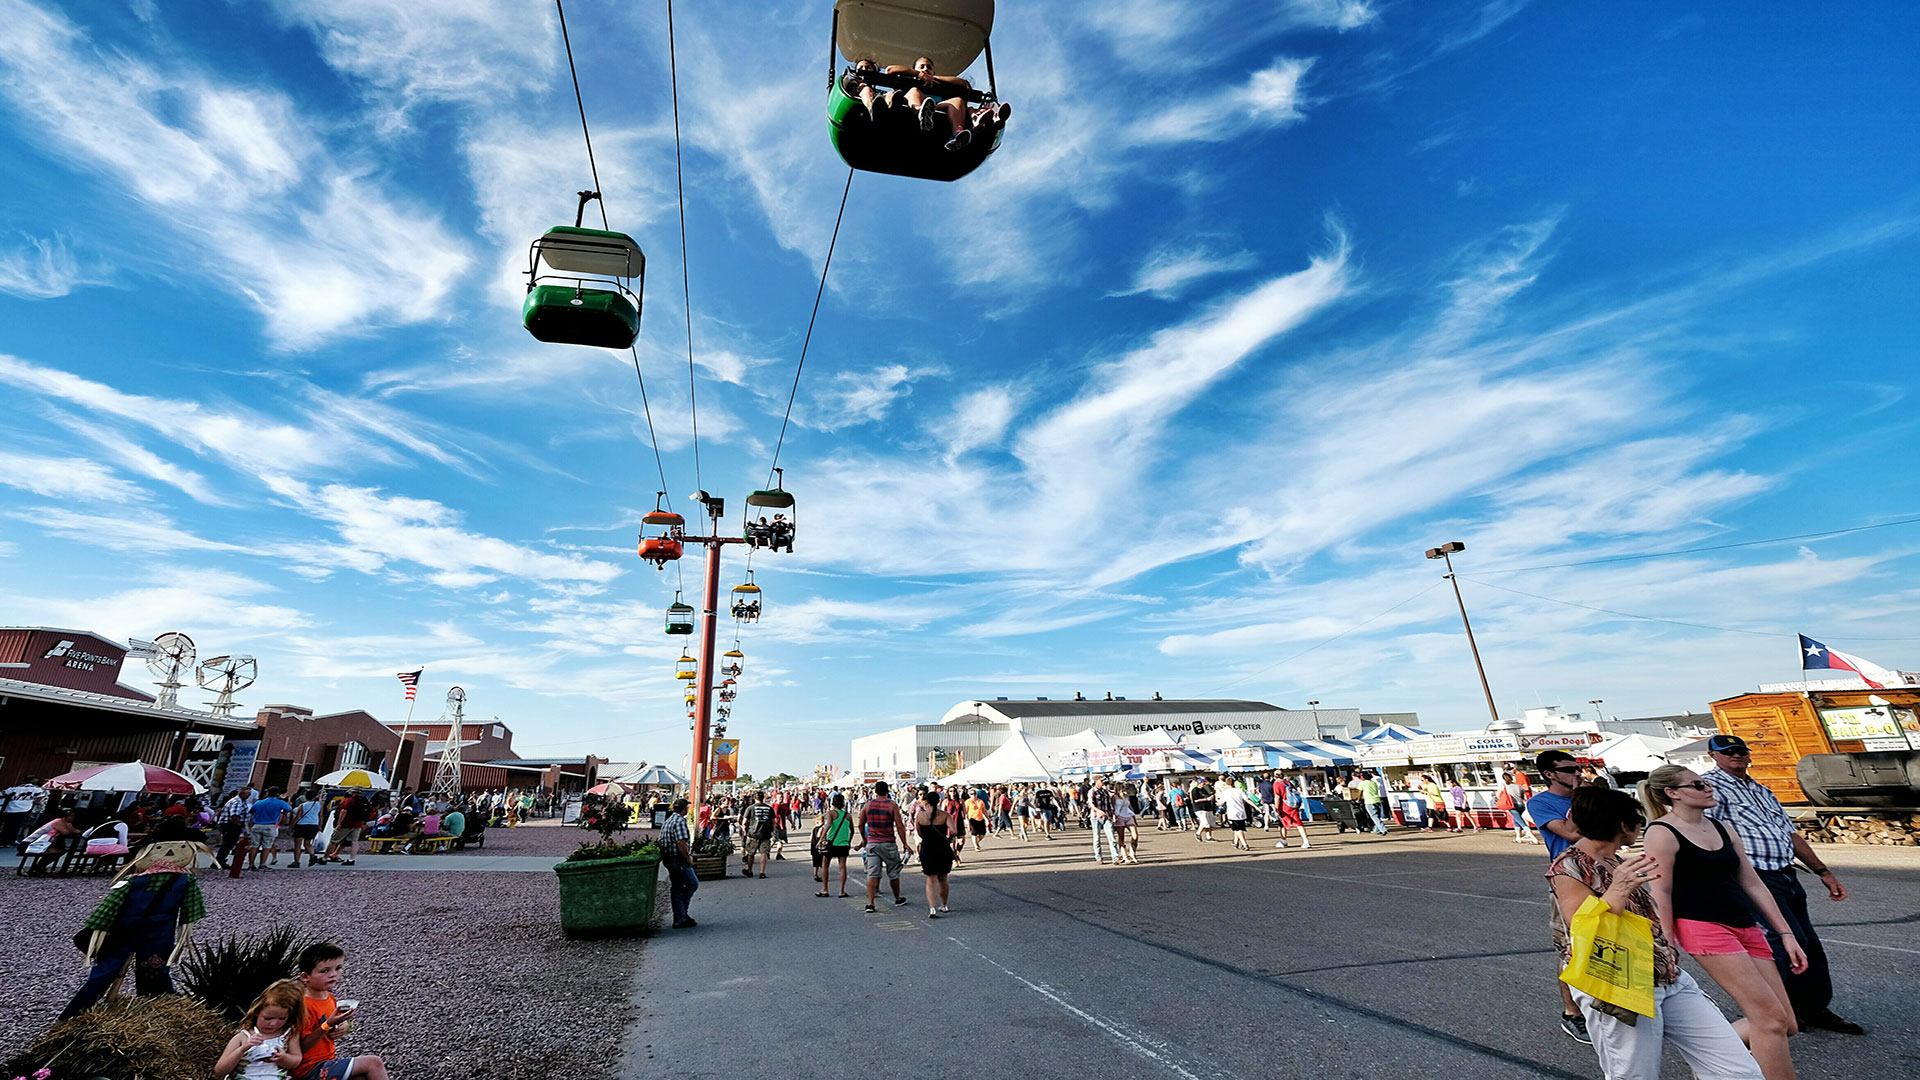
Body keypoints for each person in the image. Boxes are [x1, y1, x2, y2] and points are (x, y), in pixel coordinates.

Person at [1548, 787, 1763, 1080]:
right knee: (1634, 1075)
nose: (1640, 827)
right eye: (1638, 821)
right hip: (1619, 982)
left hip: (1666, 975)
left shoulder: (1616, 860)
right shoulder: (1569, 866)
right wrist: (1619, 889)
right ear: (1624, 826)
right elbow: (1581, 927)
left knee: (1736, 1068)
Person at [1640, 764, 1805, 1080]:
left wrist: (1786, 933)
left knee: (1787, 1023)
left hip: (1745, 924)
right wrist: (1667, 943)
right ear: (1673, 793)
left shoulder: (1722, 827)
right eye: (1698, 784)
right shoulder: (1661, 832)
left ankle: (1709, 1051)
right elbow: (1661, 890)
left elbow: (1752, 882)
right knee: (1769, 1019)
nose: (1708, 788)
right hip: (1703, 927)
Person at [1700, 734, 1862, 1035]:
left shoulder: (1762, 790)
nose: (1736, 756)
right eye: (1728, 752)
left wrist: (1823, 872)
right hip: (1754, 875)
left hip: (1785, 873)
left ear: (1749, 756)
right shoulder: (1711, 789)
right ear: (1713, 755)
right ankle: (1778, 1010)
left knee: (1809, 942)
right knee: (1784, 940)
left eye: (1740, 751)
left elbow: (1790, 834)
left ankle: (1814, 1008)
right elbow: (1706, 833)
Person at [1528, 749, 1591, 1046]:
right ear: (1549, 774)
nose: (1577, 773)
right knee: (1571, 949)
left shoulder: (1591, 794)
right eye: (1568, 769)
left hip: (1603, 875)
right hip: (1569, 880)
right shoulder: (1541, 802)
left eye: (1578, 767)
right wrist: (1583, 802)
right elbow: (1569, 832)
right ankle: (1572, 1012)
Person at [293, 943, 387, 1080]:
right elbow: (303, 1046)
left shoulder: (328, 997)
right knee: (374, 1063)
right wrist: (327, 1025)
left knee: (361, 1077)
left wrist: (344, 1026)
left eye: (338, 968)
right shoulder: (304, 1005)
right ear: (305, 976)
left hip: (328, 1061)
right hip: (309, 1069)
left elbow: (335, 1024)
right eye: (325, 971)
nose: (333, 975)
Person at [215, 978, 306, 1080]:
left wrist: (283, 1058)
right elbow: (220, 1070)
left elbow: (296, 1060)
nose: (273, 1024)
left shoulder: (288, 1035)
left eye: (281, 1018)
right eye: (268, 1018)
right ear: (257, 1011)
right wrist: (242, 1049)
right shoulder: (243, 1037)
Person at [887, 56, 975, 151]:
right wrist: (918, 75)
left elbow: (963, 84)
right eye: (922, 67)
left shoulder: (937, 84)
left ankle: (957, 134)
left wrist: (931, 78)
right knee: (914, 90)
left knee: (957, 100)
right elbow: (890, 70)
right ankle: (921, 113)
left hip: (935, 108)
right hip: (911, 106)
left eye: (929, 67)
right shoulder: (907, 81)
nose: (925, 69)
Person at [854, 780, 910, 914]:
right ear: (887, 791)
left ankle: (871, 903)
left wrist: (864, 839)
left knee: (872, 874)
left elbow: (861, 824)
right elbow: (899, 825)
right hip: (888, 842)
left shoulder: (867, 806)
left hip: (872, 843)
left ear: (875, 791)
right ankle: (897, 898)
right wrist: (905, 843)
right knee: (893, 872)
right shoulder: (892, 805)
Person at [913, 788, 955, 918]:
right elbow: (954, 830)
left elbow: (919, 831)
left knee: (930, 880)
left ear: (927, 802)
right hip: (942, 848)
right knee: (943, 878)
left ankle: (932, 908)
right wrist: (948, 838)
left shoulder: (920, 816)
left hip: (927, 848)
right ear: (939, 801)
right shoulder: (944, 815)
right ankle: (944, 904)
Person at [661, 797, 698, 928]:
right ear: (684, 809)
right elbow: (681, 842)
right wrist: (688, 859)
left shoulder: (669, 820)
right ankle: (681, 914)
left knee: (677, 887)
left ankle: (681, 914)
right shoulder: (680, 821)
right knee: (692, 884)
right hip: (678, 860)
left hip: (669, 858)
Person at [818, 792, 855, 898]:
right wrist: (849, 840)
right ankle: (842, 891)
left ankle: (825, 889)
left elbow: (828, 826)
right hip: (843, 843)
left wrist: (821, 838)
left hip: (832, 842)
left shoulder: (831, 813)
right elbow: (852, 830)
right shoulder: (848, 815)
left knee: (825, 864)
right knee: (842, 866)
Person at [249, 788, 291, 871]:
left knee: (254, 846)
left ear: (268, 793)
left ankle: (251, 864)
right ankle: (262, 864)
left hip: (257, 824)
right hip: (270, 825)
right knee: (267, 846)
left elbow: (252, 811)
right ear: (277, 794)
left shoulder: (259, 802)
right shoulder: (280, 803)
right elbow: (289, 809)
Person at [1, 774, 45, 847]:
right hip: (24, 808)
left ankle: (3, 841)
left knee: (7, 825)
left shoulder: (14, 788)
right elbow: (38, 801)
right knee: (16, 826)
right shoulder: (37, 790)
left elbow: (3, 793)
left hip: (11, 808)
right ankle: (10, 841)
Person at [741, 791, 776, 878]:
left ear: (754, 798)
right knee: (764, 853)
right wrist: (773, 831)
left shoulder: (750, 808)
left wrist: (745, 831)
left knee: (751, 853)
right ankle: (762, 872)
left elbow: (744, 822)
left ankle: (750, 870)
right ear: (763, 798)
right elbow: (774, 822)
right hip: (766, 833)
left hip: (753, 833)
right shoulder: (769, 808)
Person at [1272, 773, 1312, 850]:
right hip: (1293, 804)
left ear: (1274, 776)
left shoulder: (1276, 784)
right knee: (1296, 822)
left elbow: (1277, 797)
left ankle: (1285, 841)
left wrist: (1276, 808)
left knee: (1285, 823)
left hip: (1284, 806)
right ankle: (1304, 840)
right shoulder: (1287, 782)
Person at [1499, 771, 1540, 844]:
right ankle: (1518, 838)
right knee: (1516, 821)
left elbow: (1498, 794)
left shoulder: (1504, 786)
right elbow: (1523, 795)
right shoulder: (1518, 786)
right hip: (1521, 805)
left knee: (1522, 822)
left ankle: (1534, 839)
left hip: (1512, 806)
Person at [1087, 776, 1121, 863]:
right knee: (1097, 838)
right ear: (1097, 781)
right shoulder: (1092, 791)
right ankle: (1099, 857)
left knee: (1112, 837)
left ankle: (1116, 857)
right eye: (1102, 781)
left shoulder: (1105, 791)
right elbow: (1091, 804)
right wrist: (1099, 811)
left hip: (1107, 816)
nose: (1103, 782)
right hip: (1096, 817)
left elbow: (1110, 804)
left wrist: (1113, 814)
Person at [1218, 776, 1253, 850]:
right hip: (1241, 812)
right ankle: (1236, 841)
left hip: (1232, 813)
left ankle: (1245, 844)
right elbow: (1247, 799)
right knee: (1237, 828)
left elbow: (1221, 803)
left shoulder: (1225, 792)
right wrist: (1257, 807)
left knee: (1238, 829)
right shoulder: (1239, 791)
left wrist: (1217, 802)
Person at [289, 790, 323, 868]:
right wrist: (320, 825)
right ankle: (312, 855)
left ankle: (296, 862)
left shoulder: (302, 805)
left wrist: (291, 827)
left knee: (298, 845)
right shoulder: (319, 804)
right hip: (313, 825)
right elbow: (321, 815)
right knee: (307, 843)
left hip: (302, 825)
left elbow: (298, 817)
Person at [1357, 770, 1390, 835]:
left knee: (1374, 816)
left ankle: (1383, 829)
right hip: (1377, 799)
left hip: (1369, 801)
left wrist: (1358, 799)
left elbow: (1360, 792)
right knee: (1377, 816)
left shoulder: (1362, 783)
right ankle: (1376, 830)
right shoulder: (1374, 783)